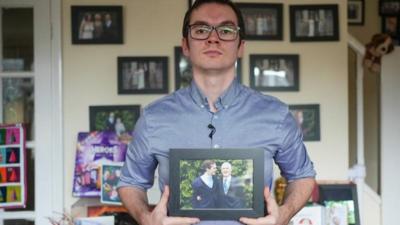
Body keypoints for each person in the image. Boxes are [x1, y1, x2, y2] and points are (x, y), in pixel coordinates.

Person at [117, 1, 316, 225]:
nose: (213, 38)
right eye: (201, 30)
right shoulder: (154, 118)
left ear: (241, 46)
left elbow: (302, 176)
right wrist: (146, 218)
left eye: (226, 30)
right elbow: (130, 182)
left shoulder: (276, 115)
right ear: (185, 45)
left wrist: (284, 215)